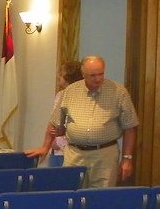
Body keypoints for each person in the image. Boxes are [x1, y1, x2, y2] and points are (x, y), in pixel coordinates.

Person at [47, 55, 138, 187]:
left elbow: (129, 127)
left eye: (101, 74)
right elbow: (55, 122)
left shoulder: (119, 92)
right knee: (71, 193)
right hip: (74, 155)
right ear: (83, 74)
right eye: (93, 75)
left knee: (101, 196)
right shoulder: (70, 91)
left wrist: (127, 158)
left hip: (105, 155)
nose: (98, 78)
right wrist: (49, 142)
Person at [25, 60, 84, 166]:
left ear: (70, 76)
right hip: (55, 151)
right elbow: (53, 121)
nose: (58, 77)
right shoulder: (60, 94)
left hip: (70, 152)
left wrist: (61, 143)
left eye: (61, 74)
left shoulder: (81, 96)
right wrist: (48, 144)